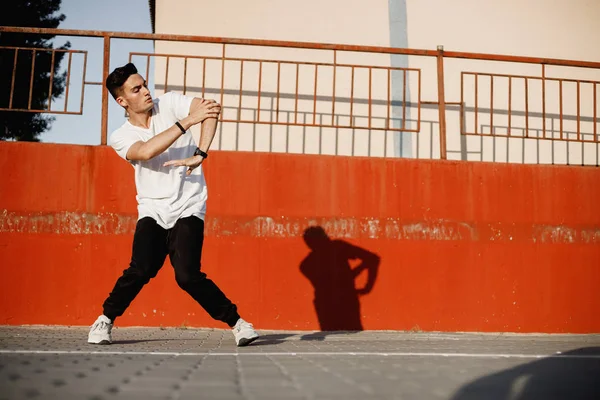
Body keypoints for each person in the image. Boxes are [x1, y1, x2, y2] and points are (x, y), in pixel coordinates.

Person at [87, 63, 258, 347]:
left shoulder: (168, 102)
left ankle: (239, 324)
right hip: (153, 209)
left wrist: (200, 153)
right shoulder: (121, 136)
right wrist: (187, 122)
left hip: (189, 204)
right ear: (122, 101)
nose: (145, 92)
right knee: (140, 269)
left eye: (144, 84)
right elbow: (145, 151)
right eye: (136, 89)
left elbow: (210, 109)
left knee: (187, 276)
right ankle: (104, 320)